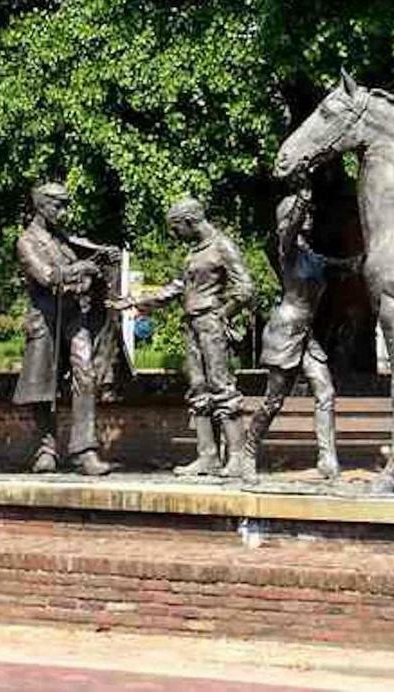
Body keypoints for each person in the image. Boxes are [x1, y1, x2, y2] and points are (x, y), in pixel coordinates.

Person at [110, 198, 254, 477]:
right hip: (192, 324)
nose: (174, 234)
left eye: (176, 228)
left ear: (189, 221)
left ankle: (236, 457)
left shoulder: (222, 246)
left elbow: (245, 288)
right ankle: (207, 456)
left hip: (210, 323)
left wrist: (223, 314)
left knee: (221, 386)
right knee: (199, 388)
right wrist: (134, 301)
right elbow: (177, 287)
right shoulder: (193, 253)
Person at [243, 186, 359, 482]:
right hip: (284, 332)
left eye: (308, 214)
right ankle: (247, 450)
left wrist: (366, 258)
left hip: (306, 336)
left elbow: (343, 266)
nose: (308, 218)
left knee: (326, 392)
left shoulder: (312, 257)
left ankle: (327, 459)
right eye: (302, 215)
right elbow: (291, 228)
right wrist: (302, 199)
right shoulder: (286, 249)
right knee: (273, 401)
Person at [13, 182, 125, 475]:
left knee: (85, 375)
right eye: (57, 205)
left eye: (65, 205)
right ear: (41, 205)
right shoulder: (27, 241)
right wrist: (81, 269)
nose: (63, 212)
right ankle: (46, 450)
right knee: (42, 385)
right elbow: (46, 276)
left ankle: (84, 451)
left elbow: (84, 271)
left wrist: (99, 264)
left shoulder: (65, 240)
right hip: (45, 320)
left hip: (74, 317)